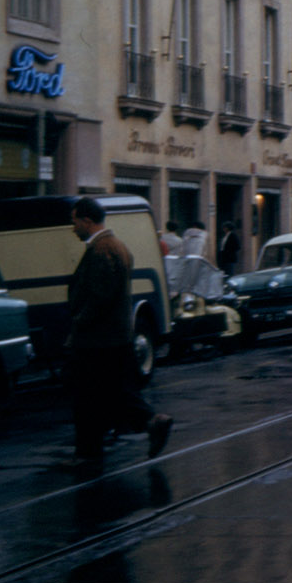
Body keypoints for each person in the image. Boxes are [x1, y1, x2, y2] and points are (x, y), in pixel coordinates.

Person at [67, 196, 172, 467]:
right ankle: (149, 422)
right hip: (115, 335)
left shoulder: (101, 250)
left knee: (89, 396)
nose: (73, 227)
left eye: (75, 221)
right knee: (115, 392)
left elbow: (100, 296)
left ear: (87, 221)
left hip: (97, 339)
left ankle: (88, 453)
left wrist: (79, 322)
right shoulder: (118, 246)